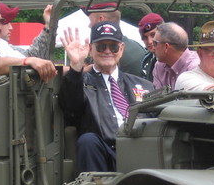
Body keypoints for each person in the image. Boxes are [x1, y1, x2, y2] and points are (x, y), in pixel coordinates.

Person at [58, 21, 154, 172]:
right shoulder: (79, 82)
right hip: (102, 150)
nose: (107, 51)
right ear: (91, 49)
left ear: (121, 49)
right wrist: (76, 67)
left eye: (114, 47)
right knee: (87, 141)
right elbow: (70, 109)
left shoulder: (143, 85)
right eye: (101, 46)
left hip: (139, 148)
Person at [86, 3, 147, 77]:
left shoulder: (101, 55)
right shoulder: (136, 47)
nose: (89, 25)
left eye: (90, 20)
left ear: (101, 20)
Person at [151, 22, 199, 90]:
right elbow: (158, 98)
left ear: (166, 47)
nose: (153, 47)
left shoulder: (196, 68)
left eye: (155, 43)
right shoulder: (159, 66)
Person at [137, 12, 164, 82]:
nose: (149, 41)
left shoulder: (175, 56)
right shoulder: (146, 61)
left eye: (153, 35)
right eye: (145, 38)